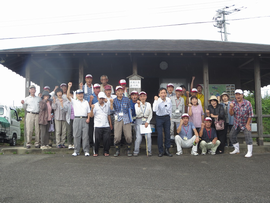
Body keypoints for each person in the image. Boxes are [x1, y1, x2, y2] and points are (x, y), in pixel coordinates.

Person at [67, 82, 91, 157]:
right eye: (79, 94)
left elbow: (88, 112)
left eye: (81, 93)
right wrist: (69, 87)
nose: (81, 95)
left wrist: (88, 118)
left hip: (84, 119)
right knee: (76, 135)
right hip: (76, 119)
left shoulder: (86, 102)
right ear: (76, 95)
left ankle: (86, 151)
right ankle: (76, 151)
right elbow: (68, 96)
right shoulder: (74, 101)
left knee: (85, 136)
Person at [229, 89, 254, 158]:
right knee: (231, 135)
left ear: (242, 95)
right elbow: (231, 114)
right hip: (237, 123)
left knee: (247, 135)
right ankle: (237, 149)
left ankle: (249, 152)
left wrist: (248, 124)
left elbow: (250, 114)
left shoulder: (247, 103)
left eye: (239, 94)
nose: (238, 96)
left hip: (245, 122)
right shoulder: (233, 103)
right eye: (236, 94)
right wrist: (231, 108)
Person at [110, 86, 132, 157]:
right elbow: (111, 111)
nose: (120, 92)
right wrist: (111, 103)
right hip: (118, 118)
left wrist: (131, 119)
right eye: (118, 91)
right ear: (116, 93)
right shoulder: (114, 100)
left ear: (123, 92)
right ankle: (117, 151)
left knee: (128, 136)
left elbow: (129, 110)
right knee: (117, 136)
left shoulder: (127, 99)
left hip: (126, 118)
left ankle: (128, 150)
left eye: (121, 91)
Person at [90, 92, 113, 157]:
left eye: (102, 98)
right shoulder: (95, 105)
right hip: (97, 125)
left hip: (106, 125)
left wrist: (110, 123)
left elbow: (108, 115)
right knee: (96, 139)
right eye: (100, 98)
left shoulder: (107, 105)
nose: (101, 100)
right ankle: (95, 151)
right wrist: (92, 109)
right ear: (97, 98)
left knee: (107, 139)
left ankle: (106, 151)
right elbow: (91, 116)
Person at [153, 88, 172, 157]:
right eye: (162, 93)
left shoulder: (169, 100)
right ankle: (160, 151)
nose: (163, 94)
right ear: (159, 94)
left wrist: (170, 117)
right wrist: (156, 100)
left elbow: (170, 109)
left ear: (166, 94)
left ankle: (167, 150)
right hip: (159, 118)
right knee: (160, 135)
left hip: (167, 117)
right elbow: (154, 109)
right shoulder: (157, 101)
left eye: (164, 93)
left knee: (167, 134)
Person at [134, 91, 153, 156]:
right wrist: (139, 105)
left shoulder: (149, 104)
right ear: (139, 97)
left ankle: (149, 151)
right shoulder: (136, 104)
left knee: (148, 137)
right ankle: (136, 151)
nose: (142, 97)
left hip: (146, 120)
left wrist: (147, 122)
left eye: (144, 96)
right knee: (138, 137)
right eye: (141, 96)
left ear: (146, 97)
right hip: (139, 120)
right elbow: (138, 113)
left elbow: (150, 114)